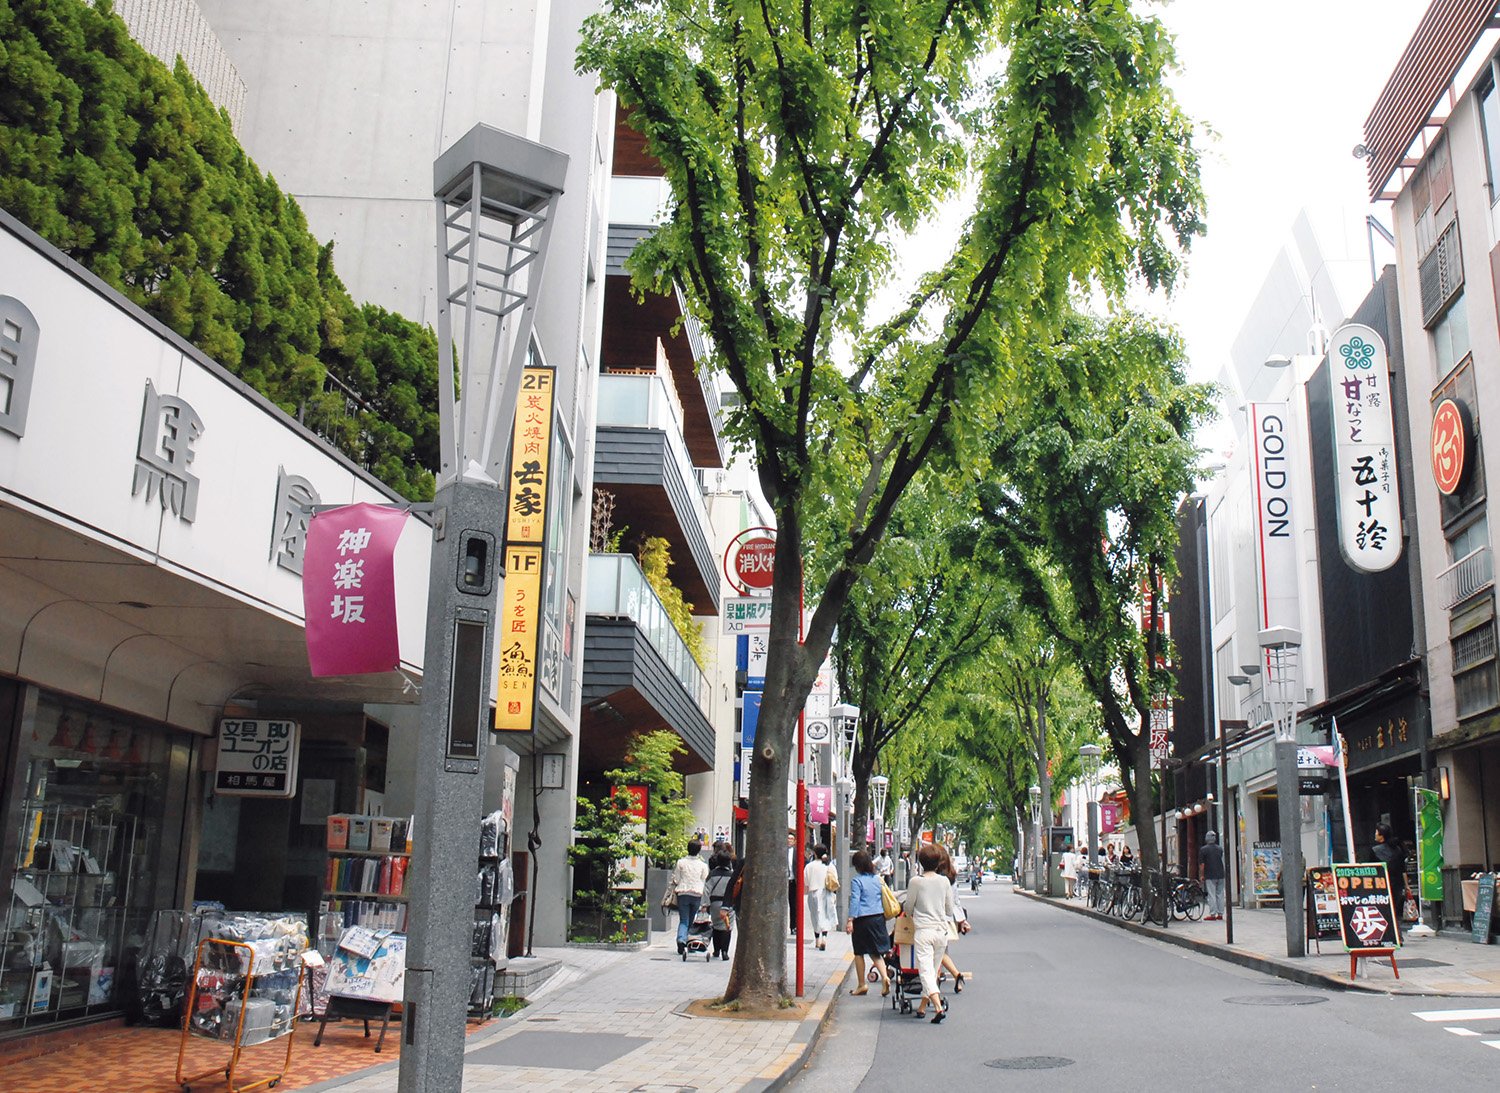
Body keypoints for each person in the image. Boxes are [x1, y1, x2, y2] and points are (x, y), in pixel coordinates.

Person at [901, 843, 956, 1023]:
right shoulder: (945, 881)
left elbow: (908, 907)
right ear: (938, 861)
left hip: (923, 931)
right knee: (931, 971)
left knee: (925, 971)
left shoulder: (916, 881)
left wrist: (911, 912)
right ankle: (923, 1007)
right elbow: (949, 909)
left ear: (920, 862)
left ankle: (938, 1007)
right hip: (941, 932)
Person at [844, 850, 892, 996]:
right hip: (878, 918)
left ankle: (861, 985)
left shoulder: (857, 881)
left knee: (859, 952)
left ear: (857, 866)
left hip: (862, 919)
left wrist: (850, 919)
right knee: (875, 952)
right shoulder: (878, 879)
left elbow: (855, 901)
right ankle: (885, 977)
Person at [671, 839, 709, 956]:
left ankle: (681, 940)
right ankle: (688, 941)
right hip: (697, 893)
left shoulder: (680, 862)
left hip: (683, 893)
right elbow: (704, 878)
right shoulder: (703, 865)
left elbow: (676, 879)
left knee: (684, 920)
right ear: (699, 850)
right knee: (692, 920)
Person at [804, 844, 838, 950]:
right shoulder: (829, 865)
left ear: (815, 853)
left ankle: (817, 940)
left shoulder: (809, 866)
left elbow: (806, 881)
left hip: (813, 893)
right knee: (825, 916)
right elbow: (835, 879)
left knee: (815, 916)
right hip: (826, 892)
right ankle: (824, 937)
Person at [706, 843, 737, 960]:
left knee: (716, 926)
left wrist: (705, 904)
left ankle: (716, 950)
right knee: (727, 927)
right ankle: (725, 951)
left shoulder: (712, 874)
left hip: (714, 904)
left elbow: (706, 890)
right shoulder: (732, 875)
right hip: (729, 904)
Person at [1371, 821, 1408, 916]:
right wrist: (1407, 886)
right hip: (1397, 885)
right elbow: (1403, 869)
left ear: (1381, 835)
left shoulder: (1375, 851)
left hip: (1380, 885)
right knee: (1394, 911)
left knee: (1383, 911)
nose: (1375, 834)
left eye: (1376, 832)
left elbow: (1370, 870)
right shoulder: (1397, 849)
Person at [1199, 830, 1226, 921]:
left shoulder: (1203, 849)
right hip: (1221, 873)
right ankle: (1220, 913)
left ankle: (1212, 914)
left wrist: (1202, 875)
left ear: (1207, 838)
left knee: (1211, 894)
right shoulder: (1220, 848)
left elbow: (1202, 865)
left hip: (1210, 874)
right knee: (1220, 894)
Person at [786, 831, 799, 937]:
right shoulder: (781, 851)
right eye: (788, 838)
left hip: (793, 882)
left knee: (793, 906)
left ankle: (793, 926)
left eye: (791, 839)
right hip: (783, 882)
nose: (789, 840)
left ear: (794, 841)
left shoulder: (797, 852)